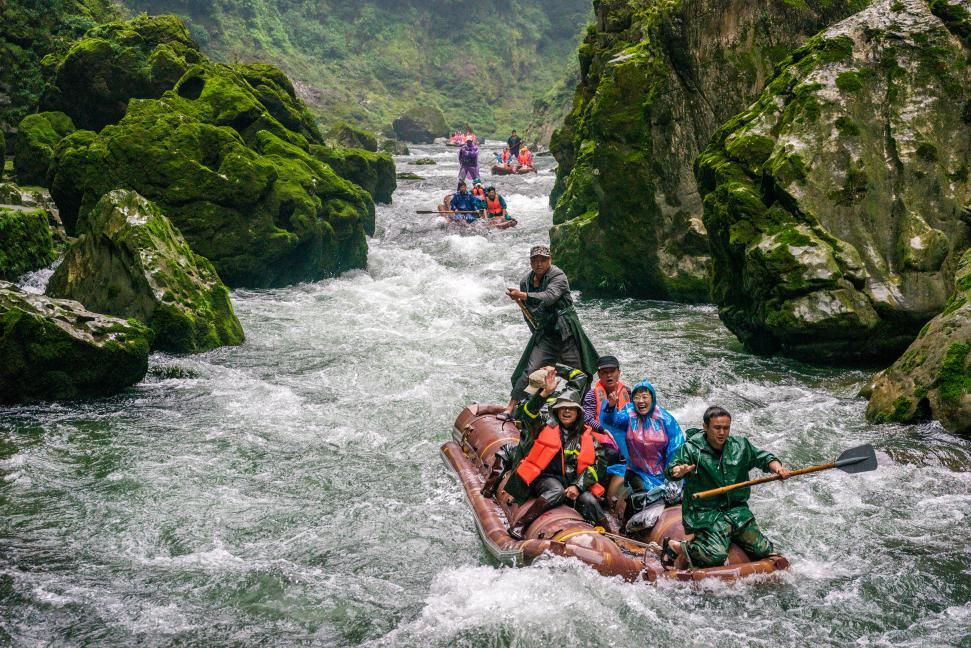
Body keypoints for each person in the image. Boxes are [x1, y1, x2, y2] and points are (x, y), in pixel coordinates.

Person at [663, 406, 790, 568]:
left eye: (726, 428)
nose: (722, 432)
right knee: (715, 556)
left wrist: (778, 469)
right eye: (717, 428)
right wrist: (678, 471)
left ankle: (734, 535)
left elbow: (765, 458)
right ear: (705, 427)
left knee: (763, 550)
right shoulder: (691, 449)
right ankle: (678, 546)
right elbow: (672, 470)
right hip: (706, 513)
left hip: (737, 512)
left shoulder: (740, 446)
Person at [502, 367, 608, 535]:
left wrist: (578, 486)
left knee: (589, 500)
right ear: (557, 411)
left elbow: (599, 465)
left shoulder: (588, 437)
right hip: (545, 478)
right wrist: (544, 394)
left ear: (578, 413)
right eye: (563, 408)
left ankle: (612, 537)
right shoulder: (543, 426)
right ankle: (521, 525)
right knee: (556, 491)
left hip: (573, 482)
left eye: (571, 408)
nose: (567, 411)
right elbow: (529, 415)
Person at [502, 245, 599, 419]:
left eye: (543, 260)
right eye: (535, 260)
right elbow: (528, 312)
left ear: (550, 260)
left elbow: (549, 297)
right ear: (531, 262)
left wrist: (523, 295)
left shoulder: (558, 276)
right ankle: (510, 409)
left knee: (580, 373)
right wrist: (535, 332)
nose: (539, 264)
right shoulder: (525, 282)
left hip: (566, 335)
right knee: (529, 370)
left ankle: (585, 411)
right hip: (546, 335)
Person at [601, 380, 684, 533]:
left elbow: (676, 447)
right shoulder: (629, 414)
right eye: (637, 397)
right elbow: (610, 422)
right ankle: (626, 530)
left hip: (663, 472)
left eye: (645, 397)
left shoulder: (665, 419)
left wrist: (672, 473)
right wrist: (611, 406)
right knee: (641, 498)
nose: (641, 401)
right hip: (637, 470)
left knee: (676, 496)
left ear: (652, 398)